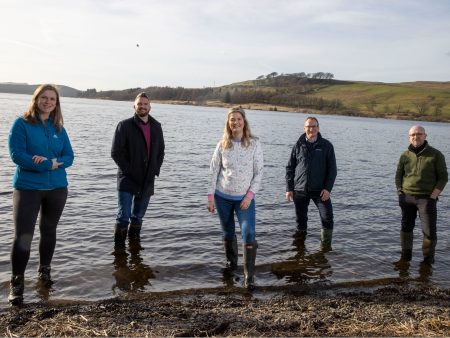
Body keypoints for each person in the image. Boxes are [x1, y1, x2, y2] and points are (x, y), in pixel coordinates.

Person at [7, 84, 74, 305]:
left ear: (56, 103)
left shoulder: (59, 129)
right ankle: (17, 282)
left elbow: (69, 157)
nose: (48, 102)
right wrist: (49, 163)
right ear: (36, 100)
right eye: (44, 98)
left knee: (49, 232)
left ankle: (44, 271)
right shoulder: (22, 124)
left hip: (57, 189)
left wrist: (51, 163)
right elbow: (18, 155)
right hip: (28, 188)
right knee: (22, 236)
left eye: (52, 99)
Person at [207, 107, 263, 291]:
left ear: (244, 122)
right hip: (222, 197)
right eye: (232, 120)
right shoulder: (222, 145)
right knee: (228, 232)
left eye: (239, 119)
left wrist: (249, 196)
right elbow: (213, 171)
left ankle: (249, 277)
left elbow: (259, 173)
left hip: (244, 200)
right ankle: (231, 267)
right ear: (228, 123)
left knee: (248, 233)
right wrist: (210, 197)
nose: (236, 123)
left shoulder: (254, 144)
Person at [111, 92, 165, 244]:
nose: (142, 106)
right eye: (139, 104)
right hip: (127, 179)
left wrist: (155, 169)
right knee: (124, 215)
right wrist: (128, 169)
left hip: (147, 179)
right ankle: (119, 252)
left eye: (145, 104)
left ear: (150, 107)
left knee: (138, 216)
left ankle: (134, 249)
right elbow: (116, 152)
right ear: (134, 106)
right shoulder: (124, 125)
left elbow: (161, 152)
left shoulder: (156, 127)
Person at [395, 125, 448, 263]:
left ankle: (428, 260)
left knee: (429, 231)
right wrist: (400, 192)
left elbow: (443, 177)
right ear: (409, 137)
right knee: (406, 227)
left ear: (425, 136)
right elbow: (399, 174)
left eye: (419, 134)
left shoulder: (436, 155)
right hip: (406, 197)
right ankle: (405, 257)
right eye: (413, 135)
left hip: (427, 198)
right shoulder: (405, 155)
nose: (416, 137)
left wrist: (433, 196)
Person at [285, 116, 337, 246]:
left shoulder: (326, 145)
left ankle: (325, 249)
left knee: (327, 217)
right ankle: (299, 250)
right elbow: (290, 167)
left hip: (320, 190)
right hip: (300, 190)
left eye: (314, 126)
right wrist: (289, 188)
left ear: (318, 128)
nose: (311, 129)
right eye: (309, 126)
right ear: (304, 128)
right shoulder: (298, 145)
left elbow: (332, 170)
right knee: (300, 221)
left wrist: (327, 189)